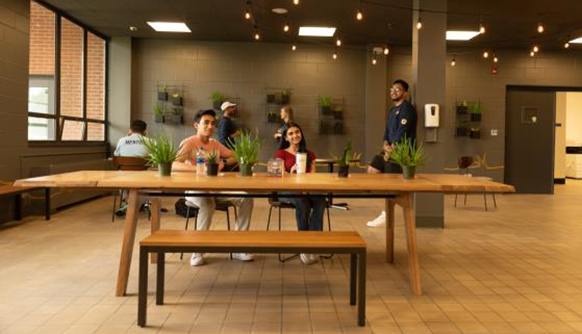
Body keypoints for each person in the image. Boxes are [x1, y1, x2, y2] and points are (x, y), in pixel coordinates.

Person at [173, 109, 254, 266]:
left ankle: (238, 247)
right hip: (194, 190)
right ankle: (197, 252)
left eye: (213, 123)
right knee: (208, 204)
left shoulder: (214, 144)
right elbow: (174, 164)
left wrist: (222, 164)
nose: (210, 126)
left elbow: (236, 155)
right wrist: (199, 169)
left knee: (246, 197)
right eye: (206, 123)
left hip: (216, 188)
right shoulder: (189, 142)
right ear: (196, 125)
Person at [367, 79, 418, 228]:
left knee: (391, 185)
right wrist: (385, 145)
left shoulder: (408, 109)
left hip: (402, 153)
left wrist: (391, 151)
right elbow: (387, 132)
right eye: (392, 89)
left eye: (398, 89)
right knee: (372, 169)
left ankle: (387, 213)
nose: (393, 91)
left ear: (405, 93)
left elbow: (402, 133)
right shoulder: (392, 110)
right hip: (388, 150)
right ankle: (387, 209)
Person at [275, 122, 326, 265]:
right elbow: (278, 176)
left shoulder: (310, 154)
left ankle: (314, 243)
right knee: (302, 201)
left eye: (297, 132)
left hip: (307, 188)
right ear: (285, 137)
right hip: (287, 190)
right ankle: (304, 244)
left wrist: (307, 185)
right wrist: (291, 173)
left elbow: (313, 176)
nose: (295, 135)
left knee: (320, 200)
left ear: (301, 134)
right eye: (290, 133)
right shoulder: (281, 154)